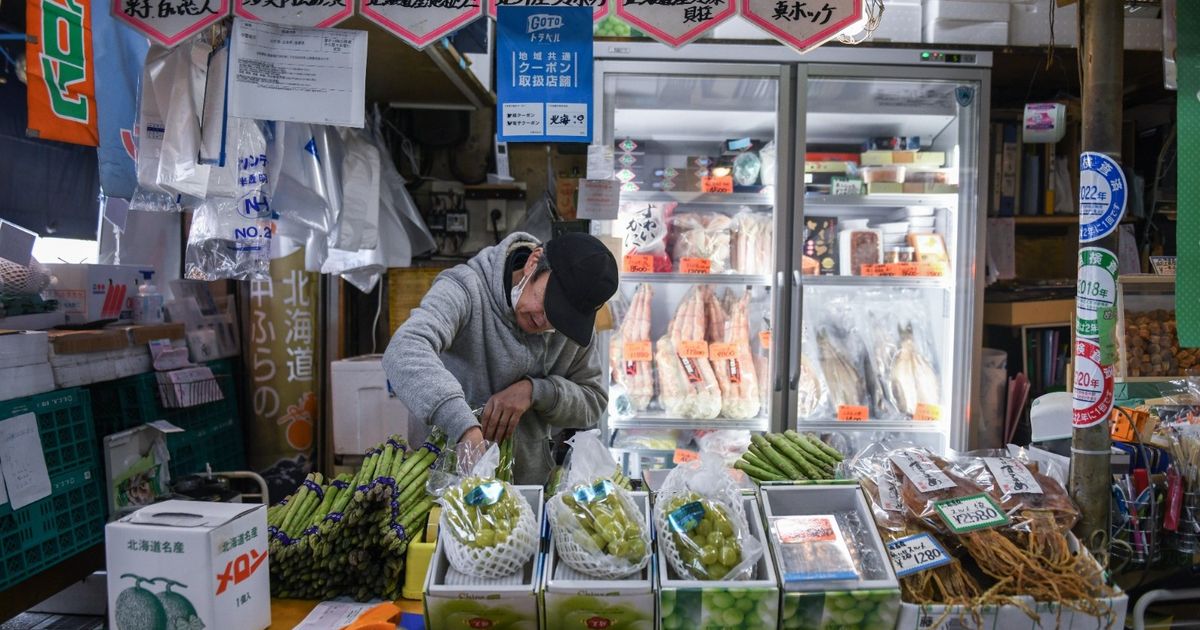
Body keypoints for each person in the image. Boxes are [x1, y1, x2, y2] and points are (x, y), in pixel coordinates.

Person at [382, 231, 619, 485]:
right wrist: (462, 425)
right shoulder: (466, 289)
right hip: (438, 481)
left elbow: (593, 399)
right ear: (533, 262)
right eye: (547, 303)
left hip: (525, 487)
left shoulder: (571, 331)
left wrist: (537, 391)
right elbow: (404, 349)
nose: (544, 321)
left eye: (559, 319)